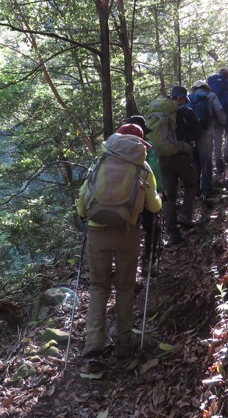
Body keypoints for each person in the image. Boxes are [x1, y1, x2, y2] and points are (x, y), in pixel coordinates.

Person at [76, 124, 162, 360]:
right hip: (127, 231)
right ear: (140, 143)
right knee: (125, 287)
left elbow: (83, 201)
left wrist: (86, 215)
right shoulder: (141, 167)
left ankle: (94, 342)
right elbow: (153, 206)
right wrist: (159, 200)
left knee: (98, 286)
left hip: (97, 232)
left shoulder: (100, 162)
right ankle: (124, 342)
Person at [150, 85, 202, 244]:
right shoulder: (186, 112)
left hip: (163, 158)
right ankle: (185, 215)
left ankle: (172, 231)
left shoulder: (161, 112)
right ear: (181, 98)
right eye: (185, 99)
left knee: (169, 195)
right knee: (192, 185)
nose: (186, 102)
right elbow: (198, 132)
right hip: (182, 155)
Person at [123, 115, 162, 275]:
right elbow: (155, 172)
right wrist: (160, 192)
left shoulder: (111, 152)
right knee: (152, 227)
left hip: (115, 202)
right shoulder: (147, 149)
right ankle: (148, 262)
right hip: (142, 197)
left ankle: (123, 269)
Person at [188, 80, 226, 200]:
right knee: (206, 161)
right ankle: (206, 189)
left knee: (195, 163)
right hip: (206, 134)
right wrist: (223, 121)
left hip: (191, 137)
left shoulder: (188, 98)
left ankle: (196, 189)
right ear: (206, 87)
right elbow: (219, 110)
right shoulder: (211, 96)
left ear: (194, 88)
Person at [207, 67, 228, 172]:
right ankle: (227, 153)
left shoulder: (213, 84)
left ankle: (219, 166)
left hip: (216, 115)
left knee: (217, 140)